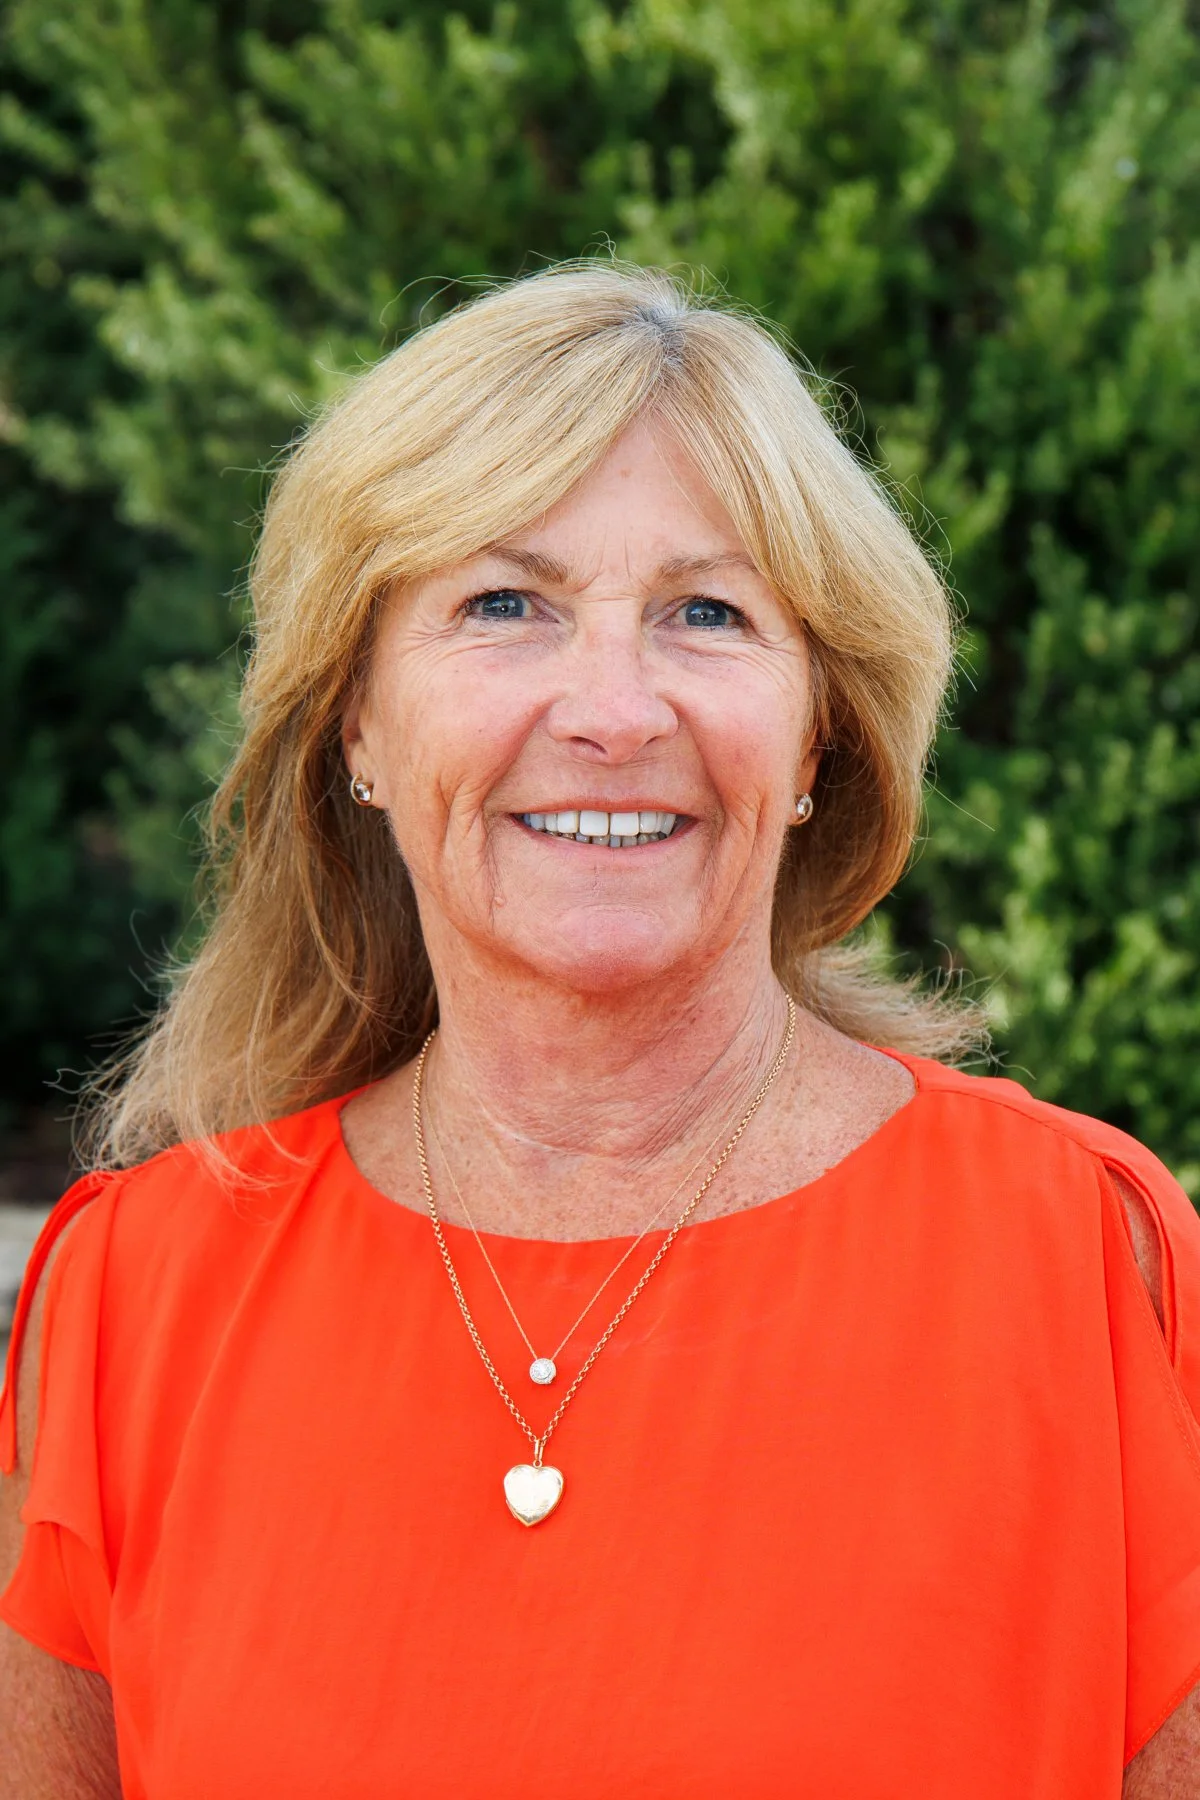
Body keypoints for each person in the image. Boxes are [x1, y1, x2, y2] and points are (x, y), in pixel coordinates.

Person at [1, 263, 1197, 1800]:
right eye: (507, 604)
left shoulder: (1087, 1263)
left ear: (820, 730)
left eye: (707, 611)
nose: (615, 709)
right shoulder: (134, 1300)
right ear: (356, 722)